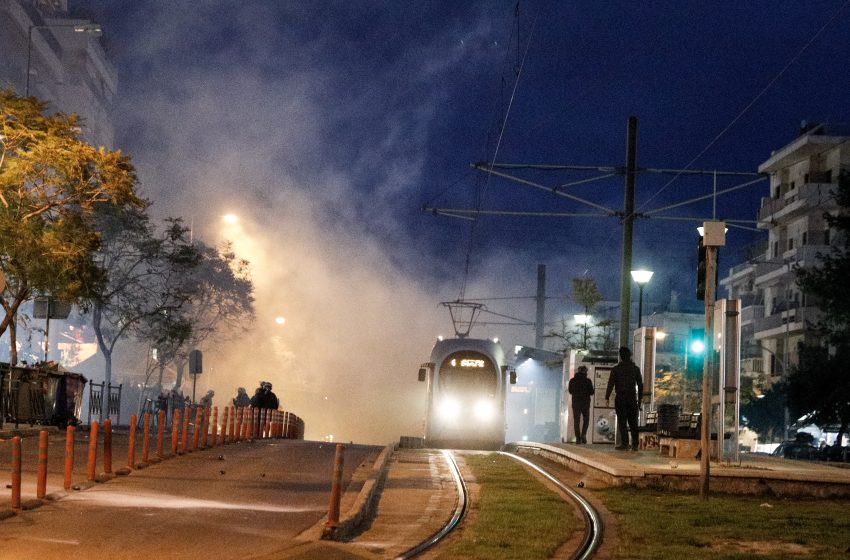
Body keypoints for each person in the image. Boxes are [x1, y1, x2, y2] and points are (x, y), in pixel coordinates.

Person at [605, 346, 644, 451]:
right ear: (630, 356)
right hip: (632, 398)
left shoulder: (616, 369)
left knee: (622, 422)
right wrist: (639, 400)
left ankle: (625, 444)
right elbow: (640, 386)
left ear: (621, 357)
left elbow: (610, 384)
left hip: (621, 398)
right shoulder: (635, 369)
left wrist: (607, 397)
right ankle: (635, 444)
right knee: (633, 422)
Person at [568, 365, 594, 444]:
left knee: (577, 421)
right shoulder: (588, 381)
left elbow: (570, 391)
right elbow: (591, 392)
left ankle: (578, 438)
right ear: (584, 371)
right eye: (586, 371)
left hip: (576, 403)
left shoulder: (572, 380)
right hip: (585, 403)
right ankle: (583, 434)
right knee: (586, 420)